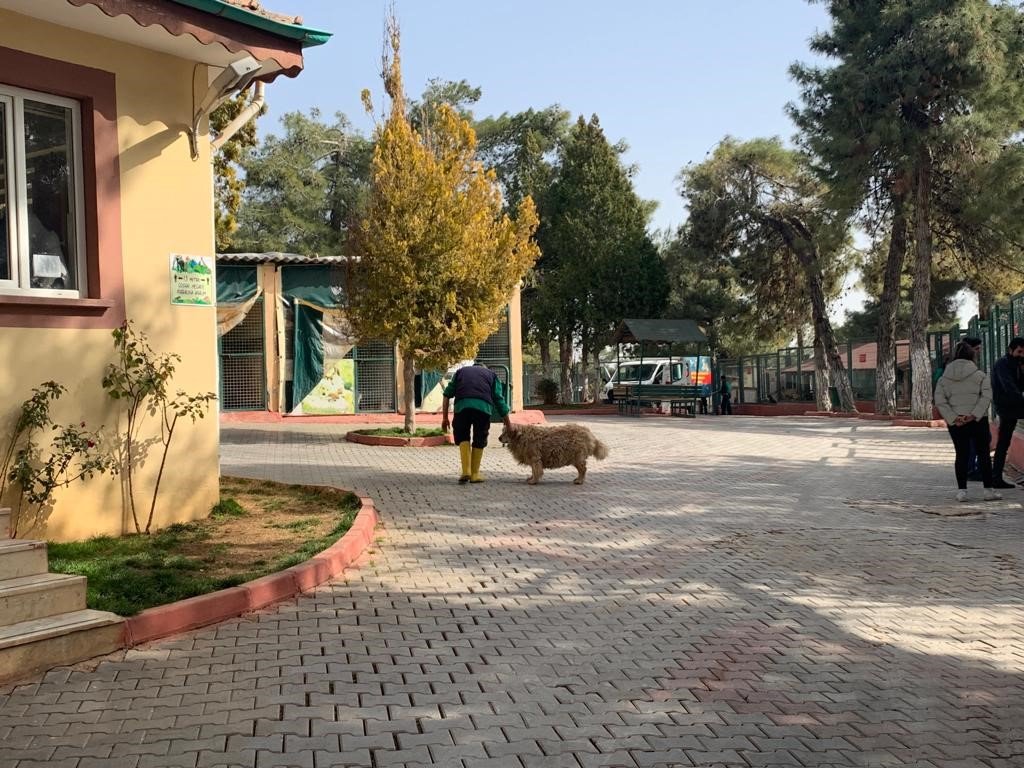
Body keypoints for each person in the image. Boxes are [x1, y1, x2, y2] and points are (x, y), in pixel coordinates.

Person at [934, 340, 1001, 502]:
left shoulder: (944, 378)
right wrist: (974, 415)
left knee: (961, 454)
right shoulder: (980, 375)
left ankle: (962, 491)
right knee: (983, 454)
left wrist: (953, 417)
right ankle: (988, 491)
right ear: (972, 357)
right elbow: (986, 396)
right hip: (978, 420)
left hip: (956, 423)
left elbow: (939, 399)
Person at [441, 362, 513, 484]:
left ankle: (466, 471)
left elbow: (447, 395)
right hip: (483, 408)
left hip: (462, 407)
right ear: (484, 368)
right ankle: (475, 474)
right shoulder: (492, 375)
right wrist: (508, 424)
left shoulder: (460, 372)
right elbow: (499, 400)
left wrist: (444, 418)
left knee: (462, 436)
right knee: (480, 437)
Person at [989, 336, 1024, 489]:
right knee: (1003, 443)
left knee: (1004, 442)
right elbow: (1009, 387)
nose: (1021, 355)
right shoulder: (1003, 364)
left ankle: (996, 477)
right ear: (1011, 350)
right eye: (1019, 351)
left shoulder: (1017, 364)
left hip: (1015, 407)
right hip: (1007, 408)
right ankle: (996, 478)